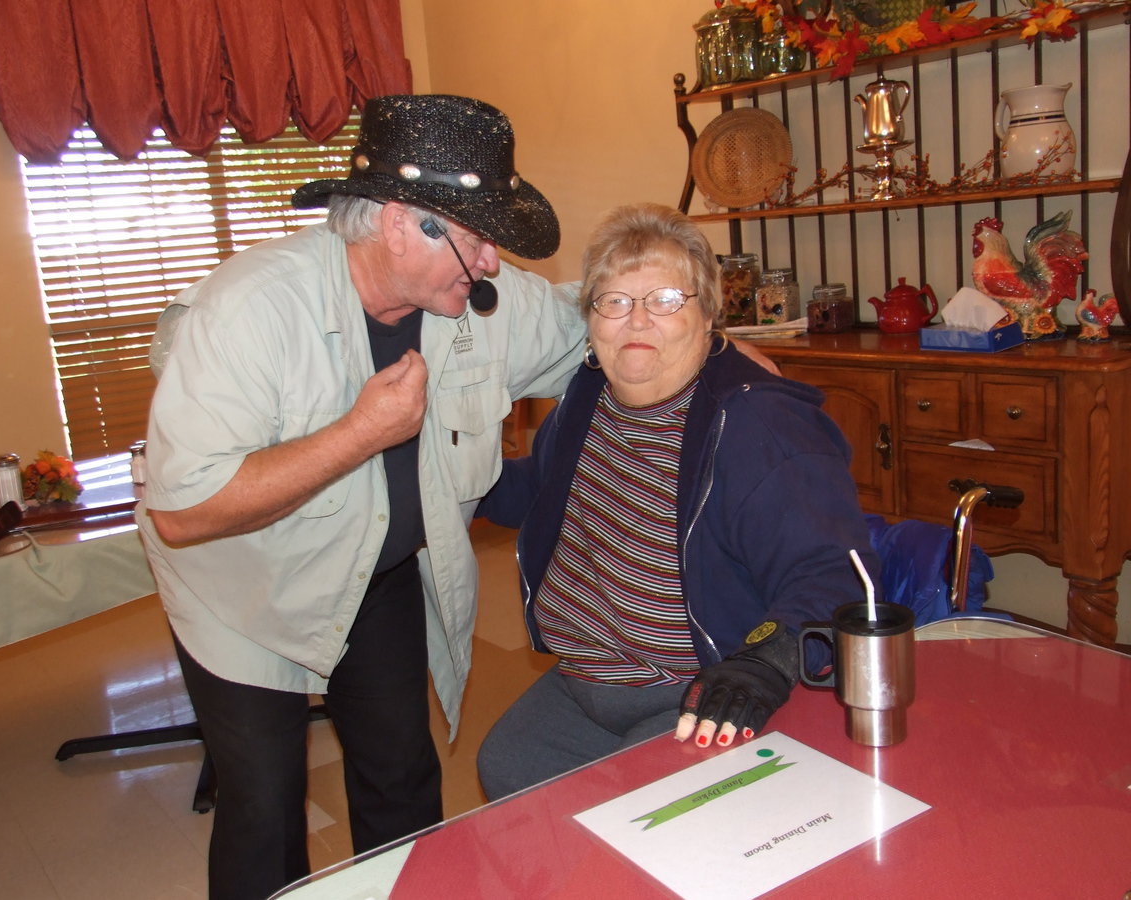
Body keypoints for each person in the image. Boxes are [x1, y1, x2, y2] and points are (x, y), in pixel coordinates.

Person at [135, 94, 591, 900]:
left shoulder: (480, 303)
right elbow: (183, 510)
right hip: (242, 583)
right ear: (395, 222)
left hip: (374, 571)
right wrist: (359, 433)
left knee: (402, 777)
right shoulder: (249, 309)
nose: (491, 262)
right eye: (476, 237)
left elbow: (600, 337)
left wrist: (723, 356)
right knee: (266, 803)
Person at [475, 202, 880, 799]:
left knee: (645, 822)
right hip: (586, 678)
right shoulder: (588, 395)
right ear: (589, 319)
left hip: (696, 687)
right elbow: (538, 492)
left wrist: (764, 662)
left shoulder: (759, 426)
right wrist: (452, 469)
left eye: (666, 299)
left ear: (709, 313)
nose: (636, 321)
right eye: (613, 301)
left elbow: (831, 573)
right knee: (507, 766)